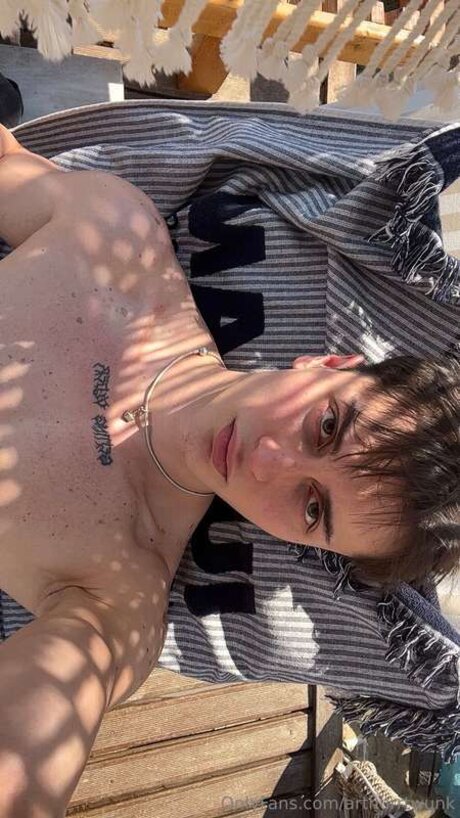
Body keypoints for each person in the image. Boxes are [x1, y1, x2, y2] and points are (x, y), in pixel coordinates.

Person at [0, 124, 458, 817]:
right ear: (327, 363)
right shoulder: (118, 241)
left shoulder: (119, 592)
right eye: (326, 426)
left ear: (311, 544)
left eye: (313, 508)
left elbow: (46, 717)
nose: (267, 462)